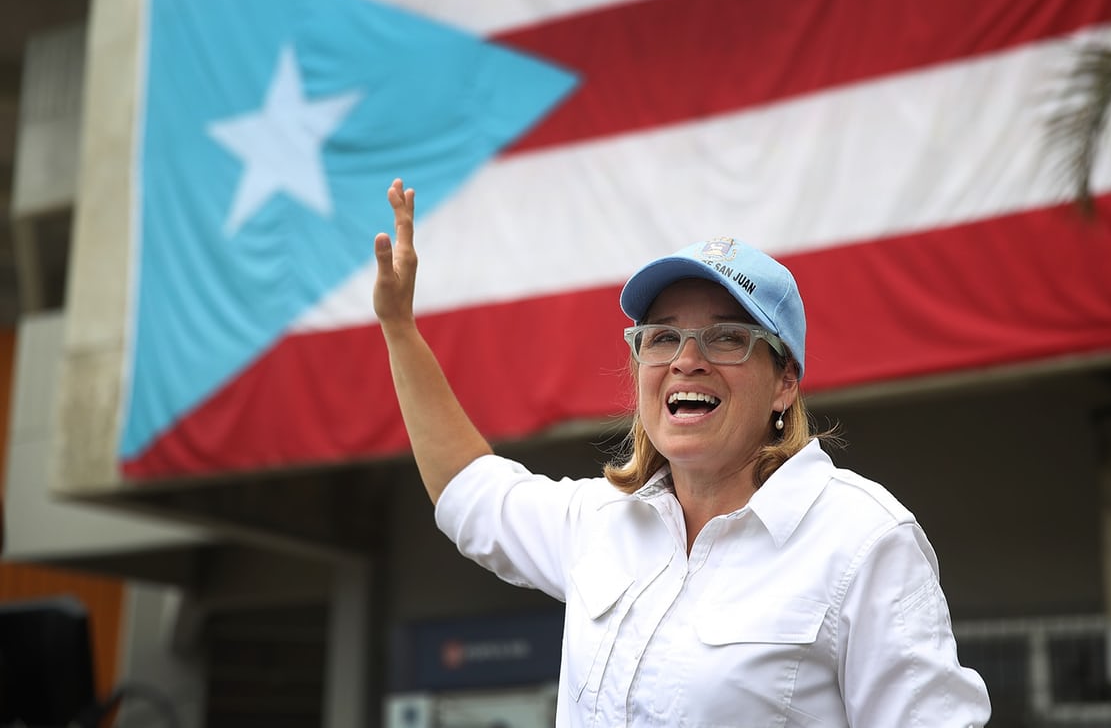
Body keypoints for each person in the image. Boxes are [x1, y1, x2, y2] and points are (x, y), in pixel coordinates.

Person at [373, 178, 991, 726]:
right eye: (662, 336)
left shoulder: (862, 538)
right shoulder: (600, 522)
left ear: (785, 381)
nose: (685, 359)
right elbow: (469, 489)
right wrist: (400, 332)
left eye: (727, 338)